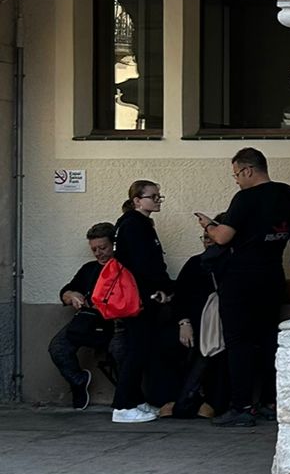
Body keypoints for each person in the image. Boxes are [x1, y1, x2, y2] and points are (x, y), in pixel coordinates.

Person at [197, 148, 290, 429]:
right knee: (269, 341)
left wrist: (209, 224)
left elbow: (223, 237)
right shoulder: (287, 193)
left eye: (236, 174)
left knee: (239, 343)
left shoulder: (245, 198)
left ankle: (242, 407)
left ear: (248, 170)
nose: (236, 180)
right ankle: (272, 403)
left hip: (241, 279)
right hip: (273, 276)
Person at [110, 181, 173, 424]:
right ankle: (123, 405)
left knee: (141, 348)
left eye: (159, 196)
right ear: (137, 200)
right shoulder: (135, 225)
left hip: (140, 295)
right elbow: (144, 264)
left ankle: (134, 400)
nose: (157, 200)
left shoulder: (137, 224)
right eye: (152, 196)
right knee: (136, 350)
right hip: (139, 297)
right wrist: (161, 289)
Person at [49, 223, 116, 411]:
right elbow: (66, 290)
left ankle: (126, 397)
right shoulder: (89, 269)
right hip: (87, 319)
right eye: (94, 249)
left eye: (103, 248)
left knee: (121, 350)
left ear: (114, 244)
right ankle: (78, 381)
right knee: (58, 347)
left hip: (115, 322)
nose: (99, 253)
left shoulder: (123, 268)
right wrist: (71, 296)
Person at [164, 228, 228, 420]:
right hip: (194, 322)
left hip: (220, 327)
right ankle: (178, 399)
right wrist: (184, 322)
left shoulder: (233, 263)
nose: (207, 241)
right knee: (165, 344)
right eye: (205, 237)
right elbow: (180, 296)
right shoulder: (195, 263)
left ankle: (190, 403)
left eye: (212, 237)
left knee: (211, 351)